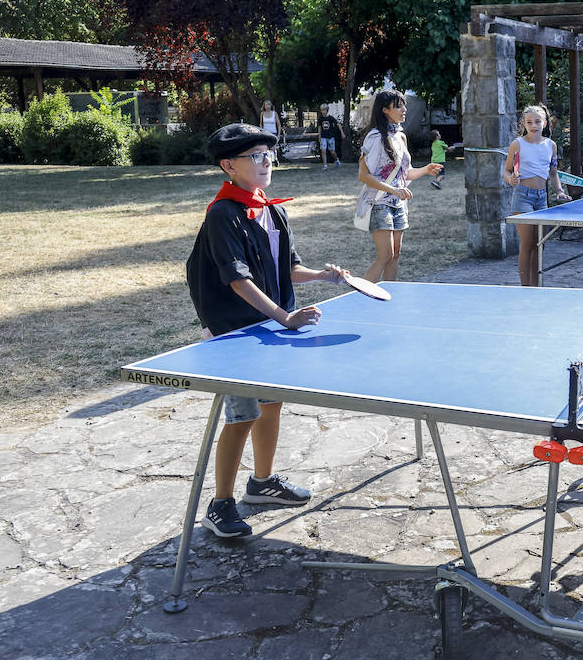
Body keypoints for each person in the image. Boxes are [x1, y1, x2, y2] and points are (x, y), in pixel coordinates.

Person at [186, 123, 348, 538]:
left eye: (268, 155)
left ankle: (261, 483)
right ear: (229, 165)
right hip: (234, 332)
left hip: (269, 326)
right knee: (242, 415)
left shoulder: (273, 210)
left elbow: (289, 268)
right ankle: (220, 504)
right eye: (255, 156)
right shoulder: (223, 214)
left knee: (271, 404)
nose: (266, 162)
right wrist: (285, 317)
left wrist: (325, 277)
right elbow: (238, 280)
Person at [358, 92, 442, 282]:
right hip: (379, 203)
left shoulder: (400, 137)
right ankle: (361, 299)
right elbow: (363, 175)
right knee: (385, 255)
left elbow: (405, 174)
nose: (404, 110)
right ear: (384, 110)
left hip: (398, 203)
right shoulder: (375, 137)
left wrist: (425, 170)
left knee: (395, 254)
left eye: (403, 105)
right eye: (398, 106)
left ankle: (390, 301)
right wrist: (394, 191)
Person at [504, 104, 570, 286]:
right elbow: (507, 171)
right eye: (529, 122)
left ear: (545, 123)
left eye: (537, 121)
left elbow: (553, 172)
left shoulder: (551, 145)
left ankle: (536, 286)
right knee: (527, 244)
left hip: (542, 199)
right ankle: (526, 287)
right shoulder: (517, 144)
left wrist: (559, 191)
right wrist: (511, 180)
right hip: (523, 197)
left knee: (539, 245)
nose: (533, 125)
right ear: (524, 124)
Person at [317, 104, 342, 169]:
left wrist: (342, 133)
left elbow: (338, 124)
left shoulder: (331, 118)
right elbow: (319, 128)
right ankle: (325, 165)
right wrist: (319, 137)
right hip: (323, 137)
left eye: (324, 110)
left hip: (330, 137)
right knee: (323, 150)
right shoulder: (320, 119)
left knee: (332, 151)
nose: (323, 111)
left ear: (327, 110)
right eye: (322, 110)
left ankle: (336, 160)